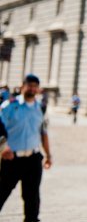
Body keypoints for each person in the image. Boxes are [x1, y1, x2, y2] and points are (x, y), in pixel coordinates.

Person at [0, 74, 52, 222]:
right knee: (2, 192)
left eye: (35, 86)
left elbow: (43, 133)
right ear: (23, 86)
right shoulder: (9, 106)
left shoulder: (40, 108)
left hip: (33, 159)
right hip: (11, 158)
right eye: (30, 85)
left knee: (32, 197)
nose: (32, 89)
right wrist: (3, 148)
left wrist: (48, 155)